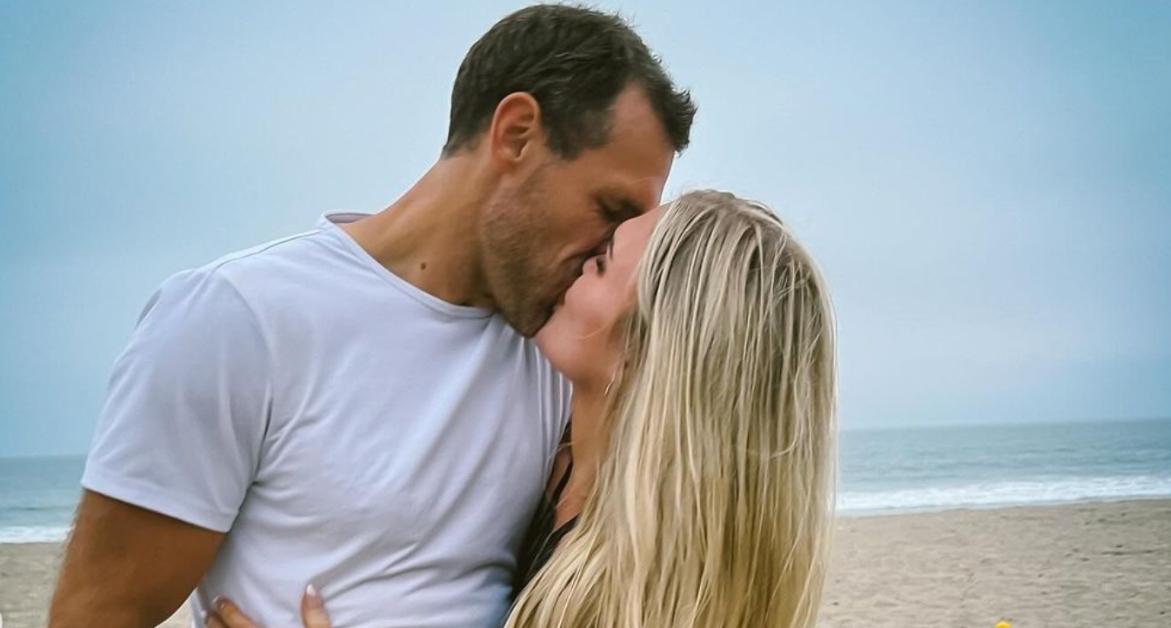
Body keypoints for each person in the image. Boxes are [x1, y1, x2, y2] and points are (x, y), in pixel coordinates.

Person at [48, 5, 696, 627]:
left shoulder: (566, 356)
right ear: (516, 134)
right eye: (609, 209)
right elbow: (95, 615)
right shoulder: (241, 320)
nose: (607, 252)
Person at [207, 190, 839, 628]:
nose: (567, 265)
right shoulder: (556, 445)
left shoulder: (638, 591)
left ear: (651, 350)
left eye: (598, 263)